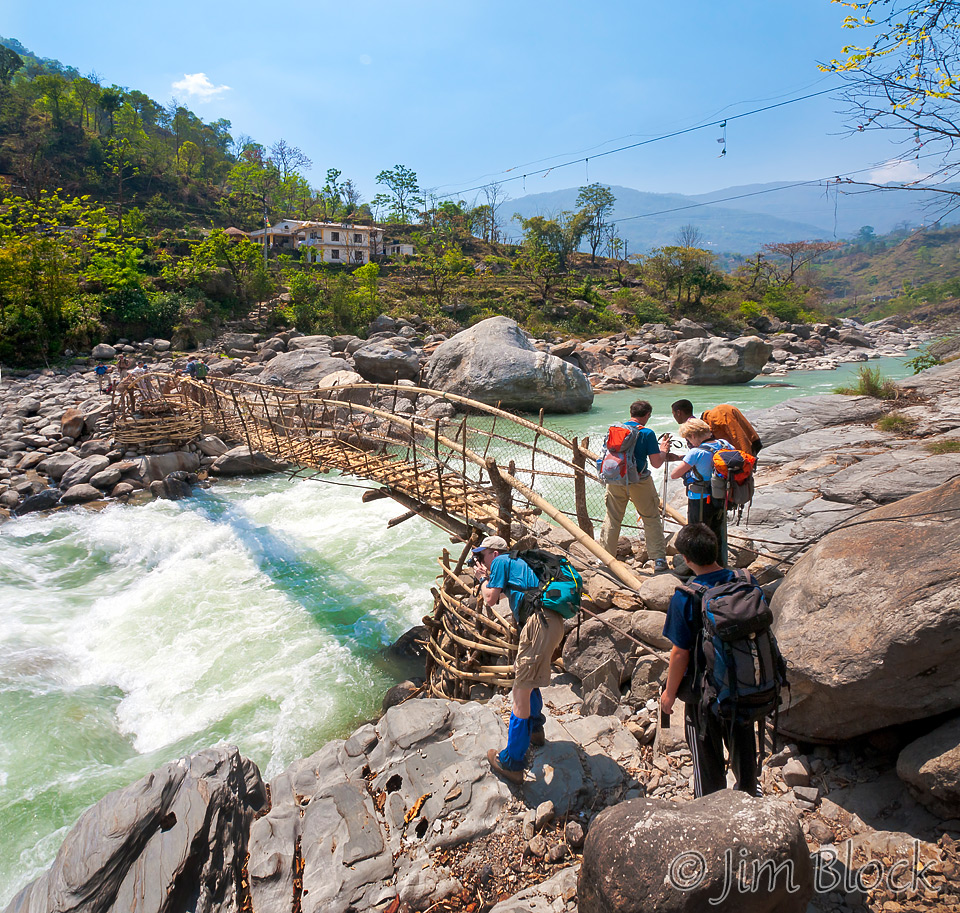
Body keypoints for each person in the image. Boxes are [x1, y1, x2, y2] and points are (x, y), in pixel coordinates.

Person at [660, 523, 759, 797]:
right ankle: (750, 795)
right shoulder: (744, 581)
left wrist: (669, 695)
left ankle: (709, 807)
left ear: (688, 560)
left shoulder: (686, 596)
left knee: (706, 760)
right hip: (744, 683)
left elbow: (680, 653)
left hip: (705, 695)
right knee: (743, 747)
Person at [471, 535, 564, 785]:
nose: (481, 560)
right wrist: (489, 580)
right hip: (551, 623)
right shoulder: (518, 565)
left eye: (482, 555)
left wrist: (482, 578)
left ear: (494, 553)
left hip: (539, 625)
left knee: (520, 691)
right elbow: (502, 595)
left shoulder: (501, 561)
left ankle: (512, 762)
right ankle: (535, 730)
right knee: (528, 681)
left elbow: (490, 599)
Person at [597, 400, 671, 571]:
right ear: (647, 415)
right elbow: (656, 462)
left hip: (616, 479)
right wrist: (664, 449)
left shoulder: (616, 430)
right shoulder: (647, 433)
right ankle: (658, 559)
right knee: (651, 517)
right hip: (639, 481)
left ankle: (605, 558)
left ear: (631, 413)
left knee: (612, 518)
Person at [665, 418, 731, 566]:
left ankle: (700, 567)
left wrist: (686, 460)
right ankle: (719, 564)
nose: (689, 442)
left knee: (699, 535)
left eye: (688, 438)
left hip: (700, 499)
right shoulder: (724, 444)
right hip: (720, 496)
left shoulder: (696, 452)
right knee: (716, 532)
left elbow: (675, 474)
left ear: (693, 435)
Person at [672, 399, 762, 456]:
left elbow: (700, 455)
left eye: (674, 414)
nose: (674, 417)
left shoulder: (689, 428)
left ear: (679, 413)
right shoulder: (700, 424)